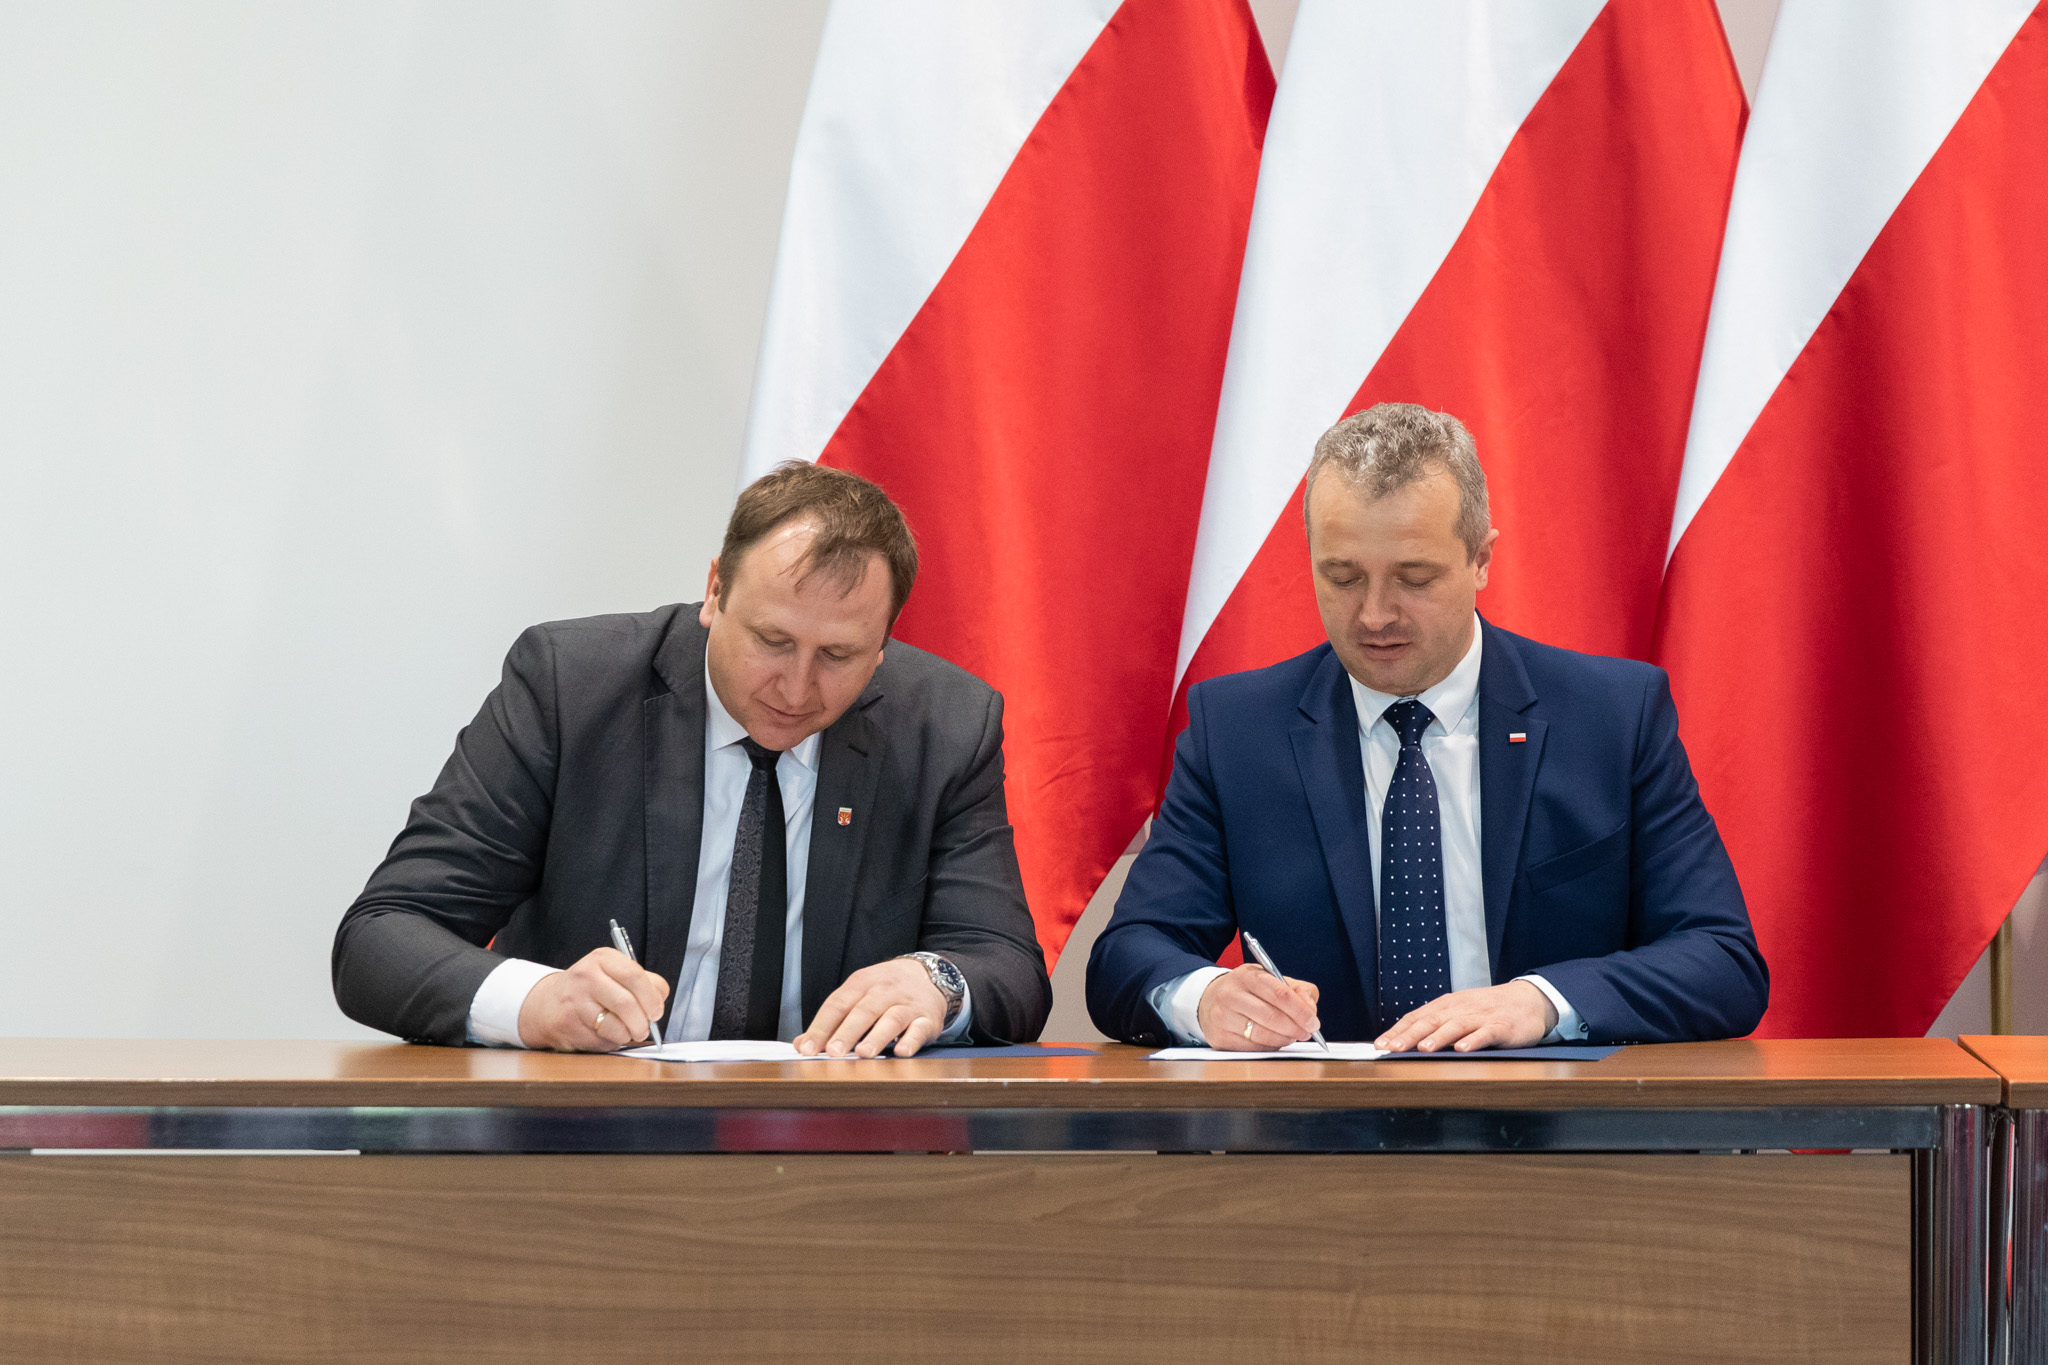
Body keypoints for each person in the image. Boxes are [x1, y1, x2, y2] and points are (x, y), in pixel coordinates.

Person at [1086, 403, 1767, 1051]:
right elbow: (1126, 957)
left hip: (1555, 1123)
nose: (1375, 614)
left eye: (1413, 578)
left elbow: (1722, 959)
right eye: (1343, 577)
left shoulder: (1612, 717)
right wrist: (1206, 997)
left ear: (1481, 559)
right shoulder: (1237, 732)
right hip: (1321, 1127)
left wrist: (1542, 1002)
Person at [335, 462, 1049, 1056]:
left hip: (834, 1152)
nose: (796, 688)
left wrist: (934, 982)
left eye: (838, 655)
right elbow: (381, 936)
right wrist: (538, 1001)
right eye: (772, 640)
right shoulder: (570, 687)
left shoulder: (944, 726)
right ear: (714, 591)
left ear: (884, 643)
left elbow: (1009, 965)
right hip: (581, 1140)